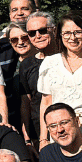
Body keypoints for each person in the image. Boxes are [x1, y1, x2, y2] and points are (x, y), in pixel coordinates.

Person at [37, 14, 82, 145]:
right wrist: (43, 138)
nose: (72, 38)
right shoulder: (49, 63)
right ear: (60, 35)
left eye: (78, 32)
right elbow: (46, 103)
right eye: (67, 33)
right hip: (58, 129)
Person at [13, 11, 56, 149]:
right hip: (39, 133)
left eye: (42, 31)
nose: (37, 36)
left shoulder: (67, 58)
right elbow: (25, 104)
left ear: (53, 30)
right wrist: (27, 139)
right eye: (31, 33)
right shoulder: (27, 64)